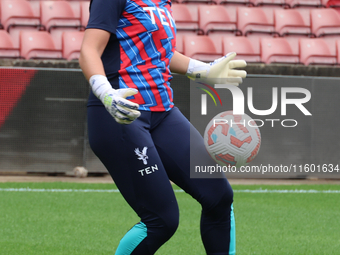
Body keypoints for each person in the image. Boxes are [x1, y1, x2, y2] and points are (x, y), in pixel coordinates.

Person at [79, 0, 247, 254]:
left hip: (163, 112)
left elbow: (160, 52)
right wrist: (106, 93)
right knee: (162, 221)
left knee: (219, 197)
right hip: (122, 115)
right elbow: (89, 50)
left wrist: (204, 70)